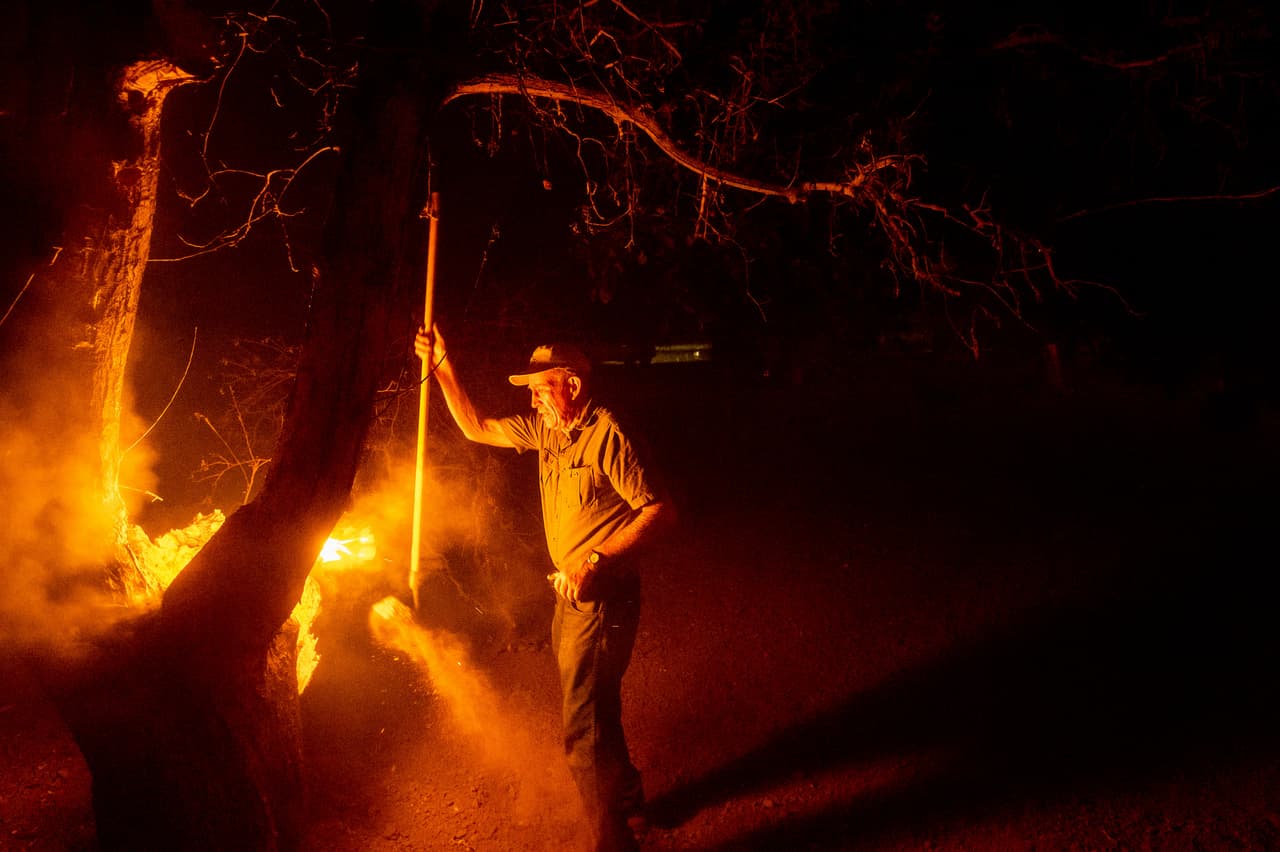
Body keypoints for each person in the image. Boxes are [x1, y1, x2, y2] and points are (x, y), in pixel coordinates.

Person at [415, 324, 674, 851]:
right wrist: (443, 367)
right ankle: (629, 801)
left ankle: (614, 841)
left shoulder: (609, 434)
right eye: (530, 389)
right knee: (596, 708)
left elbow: (661, 511)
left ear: (572, 386)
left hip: (602, 597)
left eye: (540, 386)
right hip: (570, 597)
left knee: (583, 730)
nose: (531, 398)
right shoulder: (548, 430)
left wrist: (599, 560)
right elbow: (476, 428)